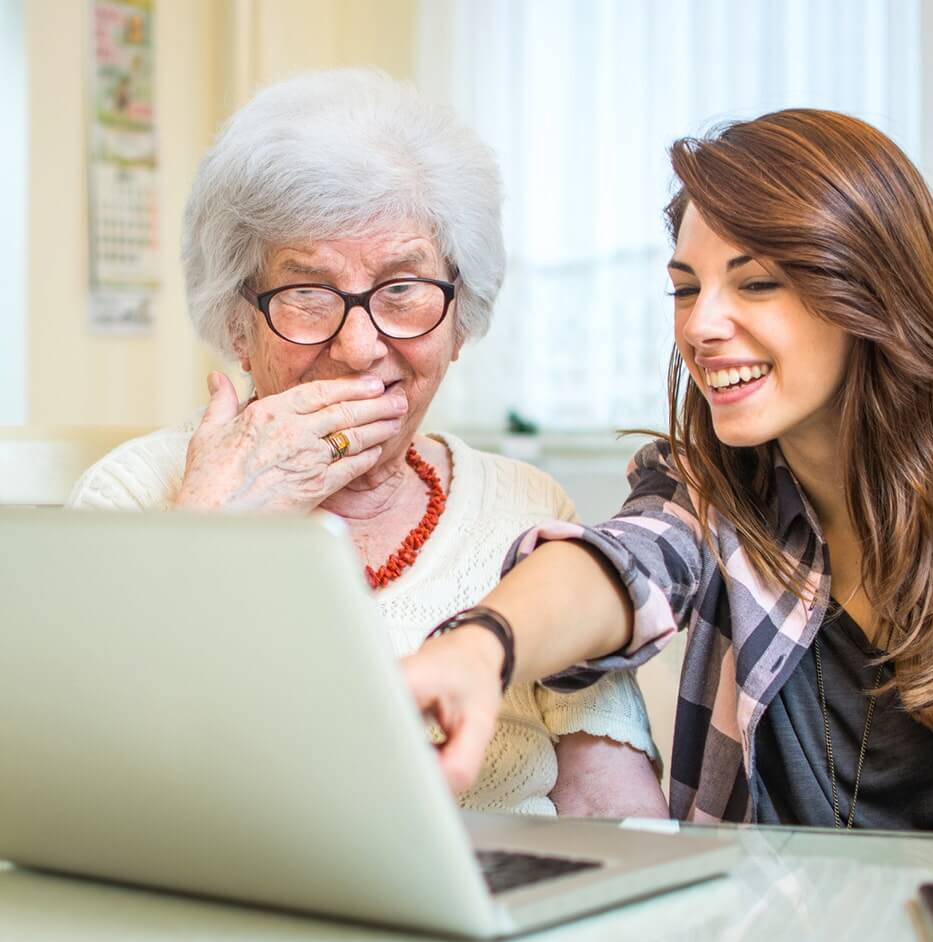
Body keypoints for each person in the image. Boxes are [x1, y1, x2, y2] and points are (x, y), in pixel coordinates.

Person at [69, 69, 667, 819]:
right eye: (307, 293)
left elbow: (617, 814)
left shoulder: (525, 505)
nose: (358, 347)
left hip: (510, 911)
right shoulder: (130, 496)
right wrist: (210, 528)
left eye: (402, 289)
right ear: (237, 326)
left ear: (460, 322)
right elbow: (90, 795)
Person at [404, 108, 933, 833]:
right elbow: (623, 560)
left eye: (755, 285)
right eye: (686, 289)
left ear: (868, 292)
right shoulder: (707, 491)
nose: (700, 327)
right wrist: (481, 646)